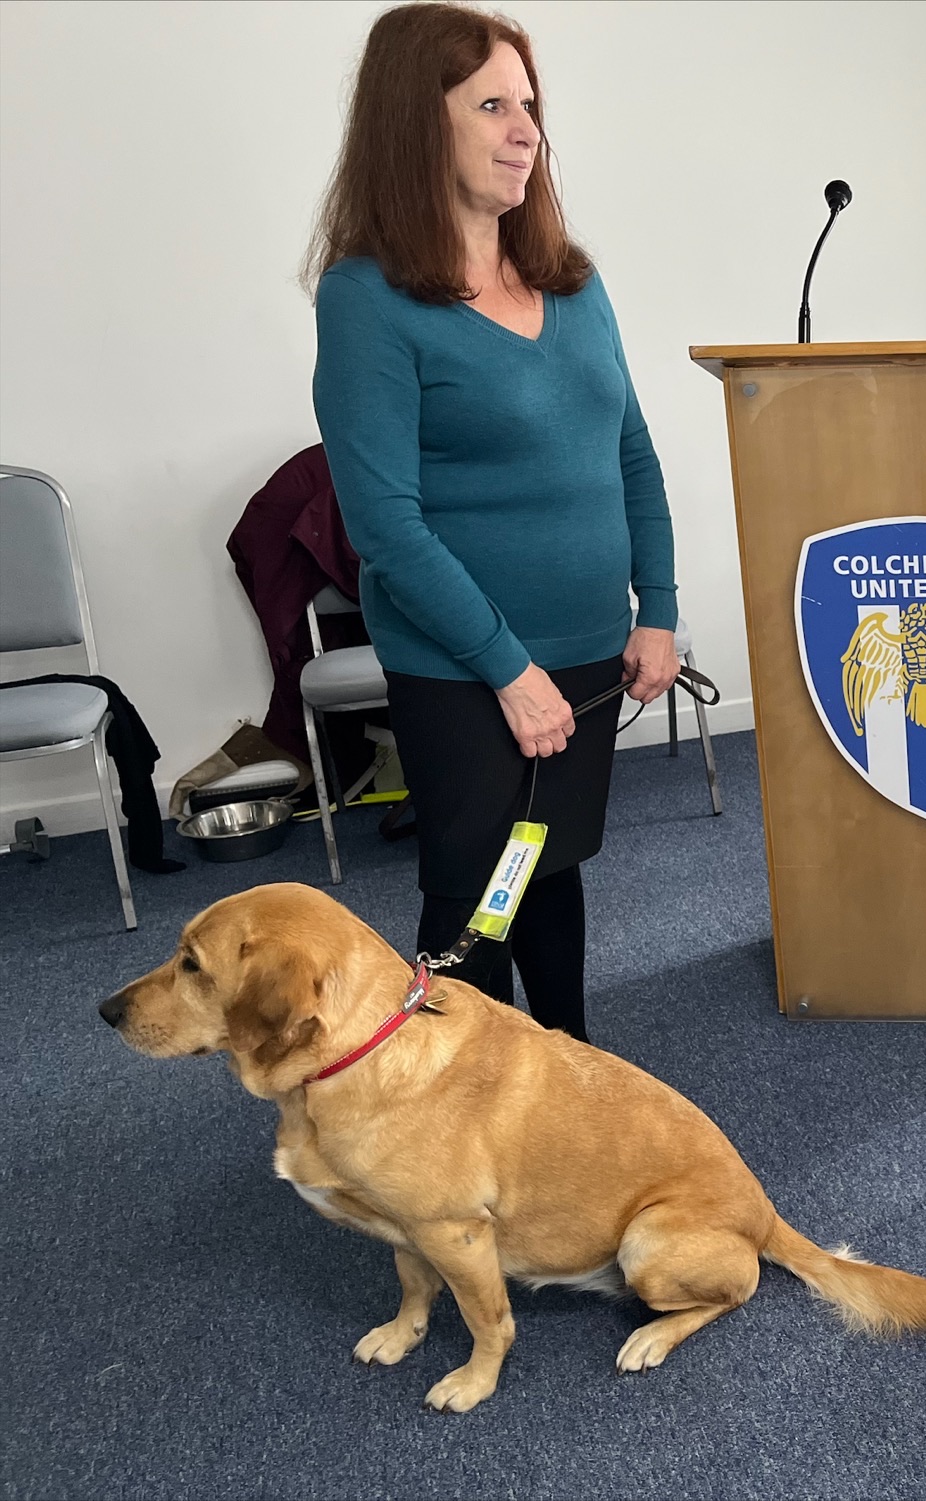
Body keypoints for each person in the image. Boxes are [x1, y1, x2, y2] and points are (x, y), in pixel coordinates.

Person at [309, 3, 679, 1044]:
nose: (525, 131)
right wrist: (509, 673)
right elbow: (384, 523)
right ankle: (454, 1111)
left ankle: (565, 1066)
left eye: (530, 106)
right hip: (466, 670)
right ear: (415, 124)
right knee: (473, 902)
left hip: (585, 656)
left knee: (546, 868)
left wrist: (658, 606)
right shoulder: (368, 299)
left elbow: (631, 453)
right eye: (491, 106)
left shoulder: (573, 279)